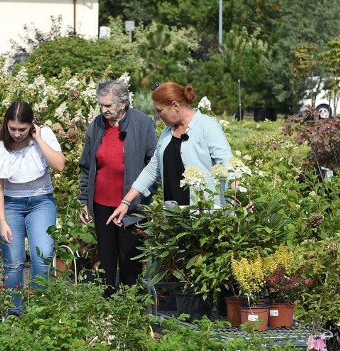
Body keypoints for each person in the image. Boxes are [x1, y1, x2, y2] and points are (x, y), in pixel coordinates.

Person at [107, 81, 235, 226]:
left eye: (160, 110)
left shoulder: (207, 127)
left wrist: (240, 195)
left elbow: (227, 163)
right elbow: (151, 170)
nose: (157, 115)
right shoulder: (167, 133)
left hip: (205, 218)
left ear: (175, 106)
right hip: (174, 216)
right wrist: (126, 202)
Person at [0, 101, 65, 315]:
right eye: (13, 128)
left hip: (41, 202)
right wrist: (2, 222)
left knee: (43, 256)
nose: (17, 134)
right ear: (6, 125)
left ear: (32, 124)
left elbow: (59, 165)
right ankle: (14, 312)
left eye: (22, 129)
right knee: (14, 261)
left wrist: (37, 139)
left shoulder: (43, 135)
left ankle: (38, 312)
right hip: (10, 204)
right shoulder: (0, 144)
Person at [78, 80, 158, 297]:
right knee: (106, 260)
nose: (103, 110)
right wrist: (84, 200)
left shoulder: (142, 124)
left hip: (131, 206)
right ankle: (108, 307)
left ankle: (132, 308)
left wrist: (143, 199)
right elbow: (86, 166)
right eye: (101, 105)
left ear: (123, 103)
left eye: (108, 106)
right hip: (101, 203)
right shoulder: (97, 125)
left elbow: (154, 165)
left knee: (130, 260)